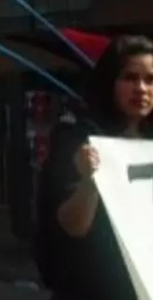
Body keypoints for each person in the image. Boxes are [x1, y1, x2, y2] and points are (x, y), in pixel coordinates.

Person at [35, 34, 153, 300]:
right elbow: (72, 225)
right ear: (110, 81)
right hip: (90, 288)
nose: (142, 89)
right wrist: (90, 182)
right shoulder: (78, 137)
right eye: (130, 78)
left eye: (150, 80)